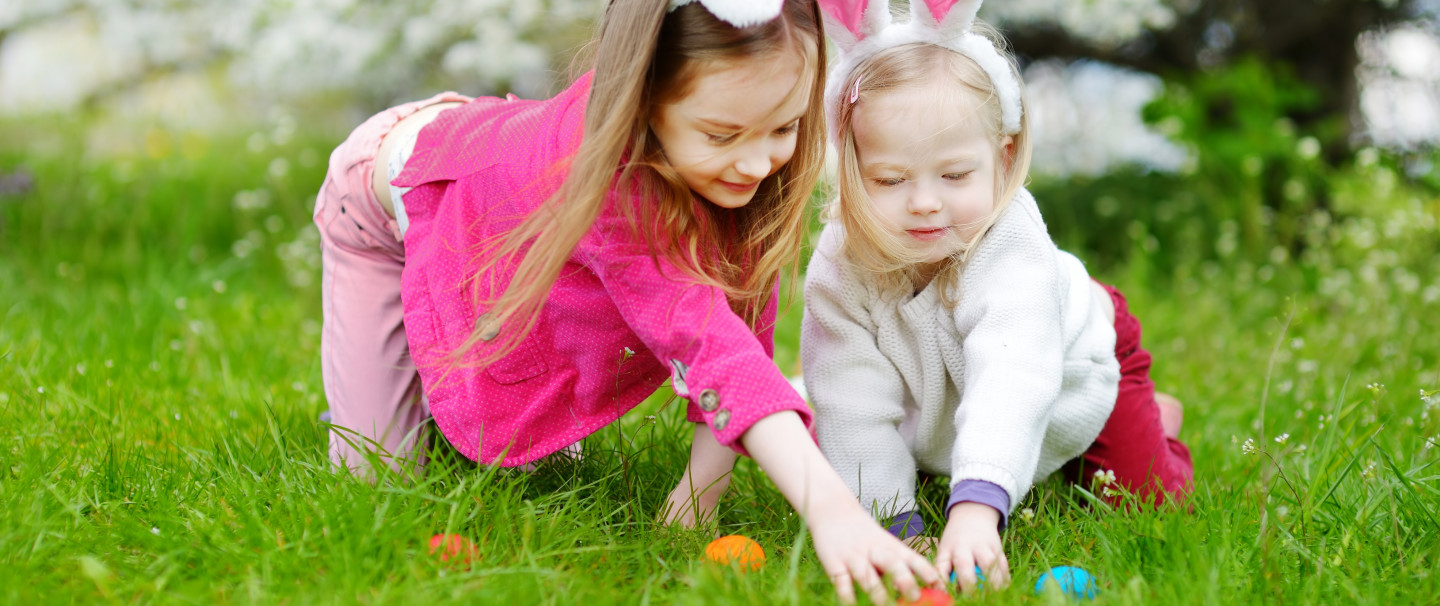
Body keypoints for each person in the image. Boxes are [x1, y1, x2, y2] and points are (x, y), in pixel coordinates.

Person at [313, 0, 940, 601]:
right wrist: (831, 510)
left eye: (783, 127)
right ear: (642, 104)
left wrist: (696, 503)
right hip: (400, 188)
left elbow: (739, 338)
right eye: (722, 134)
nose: (757, 162)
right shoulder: (608, 182)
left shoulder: (743, 168)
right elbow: (704, 342)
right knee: (375, 483)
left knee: (524, 436)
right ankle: (405, 385)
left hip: (500, 177)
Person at [802, 0, 1194, 593]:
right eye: (889, 180)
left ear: (1002, 157)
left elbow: (1012, 378)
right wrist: (897, 526)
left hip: (1067, 360)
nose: (925, 202)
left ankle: (1155, 419)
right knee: (843, 435)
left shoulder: (1009, 244)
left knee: (1148, 507)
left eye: (955, 175)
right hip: (942, 387)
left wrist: (976, 509)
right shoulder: (840, 265)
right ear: (850, 168)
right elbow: (850, 403)